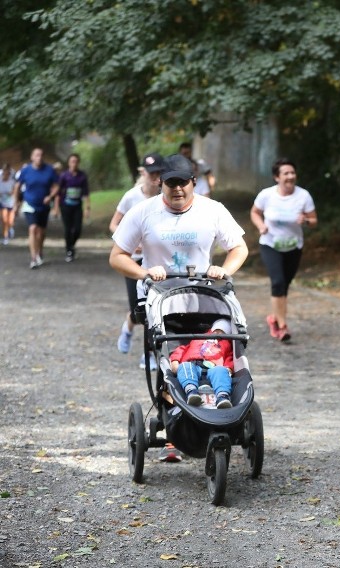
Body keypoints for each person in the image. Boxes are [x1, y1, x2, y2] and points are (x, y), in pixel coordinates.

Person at [109, 153, 249, 462]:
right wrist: (144, 273)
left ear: (193, 183)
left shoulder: (213, 210)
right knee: (167, 361)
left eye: (183, 183)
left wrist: (224, 270)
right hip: (161, 302)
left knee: (217, 352)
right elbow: (117, 256)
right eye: (171, 184)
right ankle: (175, 426)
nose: (177, 190)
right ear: (161, 183)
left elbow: (239, 248)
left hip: (205, 299)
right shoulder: (143, 212)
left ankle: (219, 406)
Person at [250, 158, 317, 342]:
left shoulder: (303, 196)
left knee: (284, 286)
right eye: (285, 173)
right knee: (278, 282)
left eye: (292, 173)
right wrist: (261, 226)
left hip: (294, 246)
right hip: (270, 244)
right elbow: (254, 212)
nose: (290, 176)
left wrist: (305, 220)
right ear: (276, 177)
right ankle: (282, 326)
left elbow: (313, 221)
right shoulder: (267, 195)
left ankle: (273, 317)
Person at [110, 152, 166, 369]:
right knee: (138, 310)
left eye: (159, 172)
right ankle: (127, 328)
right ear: (143, 173)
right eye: (151, 173)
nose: (156, 177)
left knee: (156, 307)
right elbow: (114, 224)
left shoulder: (166, 197)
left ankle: (150, 355)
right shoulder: (131, 197)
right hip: (133, 260)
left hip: (156, 261)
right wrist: (130, 242)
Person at [169, 318, 235, 409]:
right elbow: (182, 349)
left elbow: (229, 358)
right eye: (216, 330)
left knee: (221, 371)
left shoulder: (226, 345)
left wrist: (229, 368)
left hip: (214, 368)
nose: (218, 333)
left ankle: (222, 397)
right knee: (185, 367)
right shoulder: (198, 338)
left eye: (223, 332)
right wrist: (175, 360)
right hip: (192, 364)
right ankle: (191, 392)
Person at [12, 148, 59, 268]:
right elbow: (17, 187)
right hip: (29, 204)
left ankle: (40, 251)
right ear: (32, 157)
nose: (39, 157)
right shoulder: (26, 170)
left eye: (41, 155)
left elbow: (56, 187)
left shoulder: (49, 170)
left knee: (41, 232)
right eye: (37, 155)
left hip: (44, 205)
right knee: (33, 229)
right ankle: (33, 258)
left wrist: (50, 196)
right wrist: (16, 203)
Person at [56, 153, 90, 262]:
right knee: (68, 228)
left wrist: (87, 208)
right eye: (72, 161)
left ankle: (71, 244)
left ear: (78, 163)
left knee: (77, 229)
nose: (74, 163)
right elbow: (58, 192)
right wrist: (56, 207)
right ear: (68, 163)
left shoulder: (82, 176)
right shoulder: (64, 176)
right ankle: (69, 250)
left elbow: (86, 193)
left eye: (76, 161)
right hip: (65, 205)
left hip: (77, 206)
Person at [0, 164, 15, 245]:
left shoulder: (12, 181)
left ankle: (11, 228)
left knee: (10, 221)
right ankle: (5, 237)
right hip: (2, 202)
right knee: (4, 220)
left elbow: (14, 191)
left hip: (11, 203)